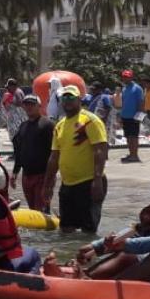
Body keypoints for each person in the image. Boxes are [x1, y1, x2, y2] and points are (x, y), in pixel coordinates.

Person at [44, 85, 109, 233]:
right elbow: (54, 157)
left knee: (88, 231)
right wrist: (47, 185)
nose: (67, 100)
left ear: (79, 100)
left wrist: (97, 180)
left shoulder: (90, 121)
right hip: (67, 184)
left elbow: (100, 150)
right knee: (66, 229)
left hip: (89, 182)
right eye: (64, 98)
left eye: (71, 97)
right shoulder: (59, 126)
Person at [11, 94, 54, 212]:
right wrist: (15, 172)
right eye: (26, 104)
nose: (29, 107)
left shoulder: (47, 125)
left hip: (42, 176)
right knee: (32, 210)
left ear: (39, 106)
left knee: (41, 211)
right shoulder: (23, 126)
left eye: (32, 104)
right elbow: (19, 150)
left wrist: (50, 179)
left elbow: (54, 152)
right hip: (26, 175)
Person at [118, 70, 144, 163]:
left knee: (134, 136)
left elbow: (141, 103)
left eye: (127, 77)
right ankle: (131, 154)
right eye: (124, 77)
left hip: (134, 116)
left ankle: (135, 155)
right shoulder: (124, 89)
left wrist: (139, 116)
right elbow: (123, 102)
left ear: (131, 77)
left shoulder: (137, 88)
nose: (125, 78)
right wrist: (120, 116)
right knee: (128, 136)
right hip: (125, 116)